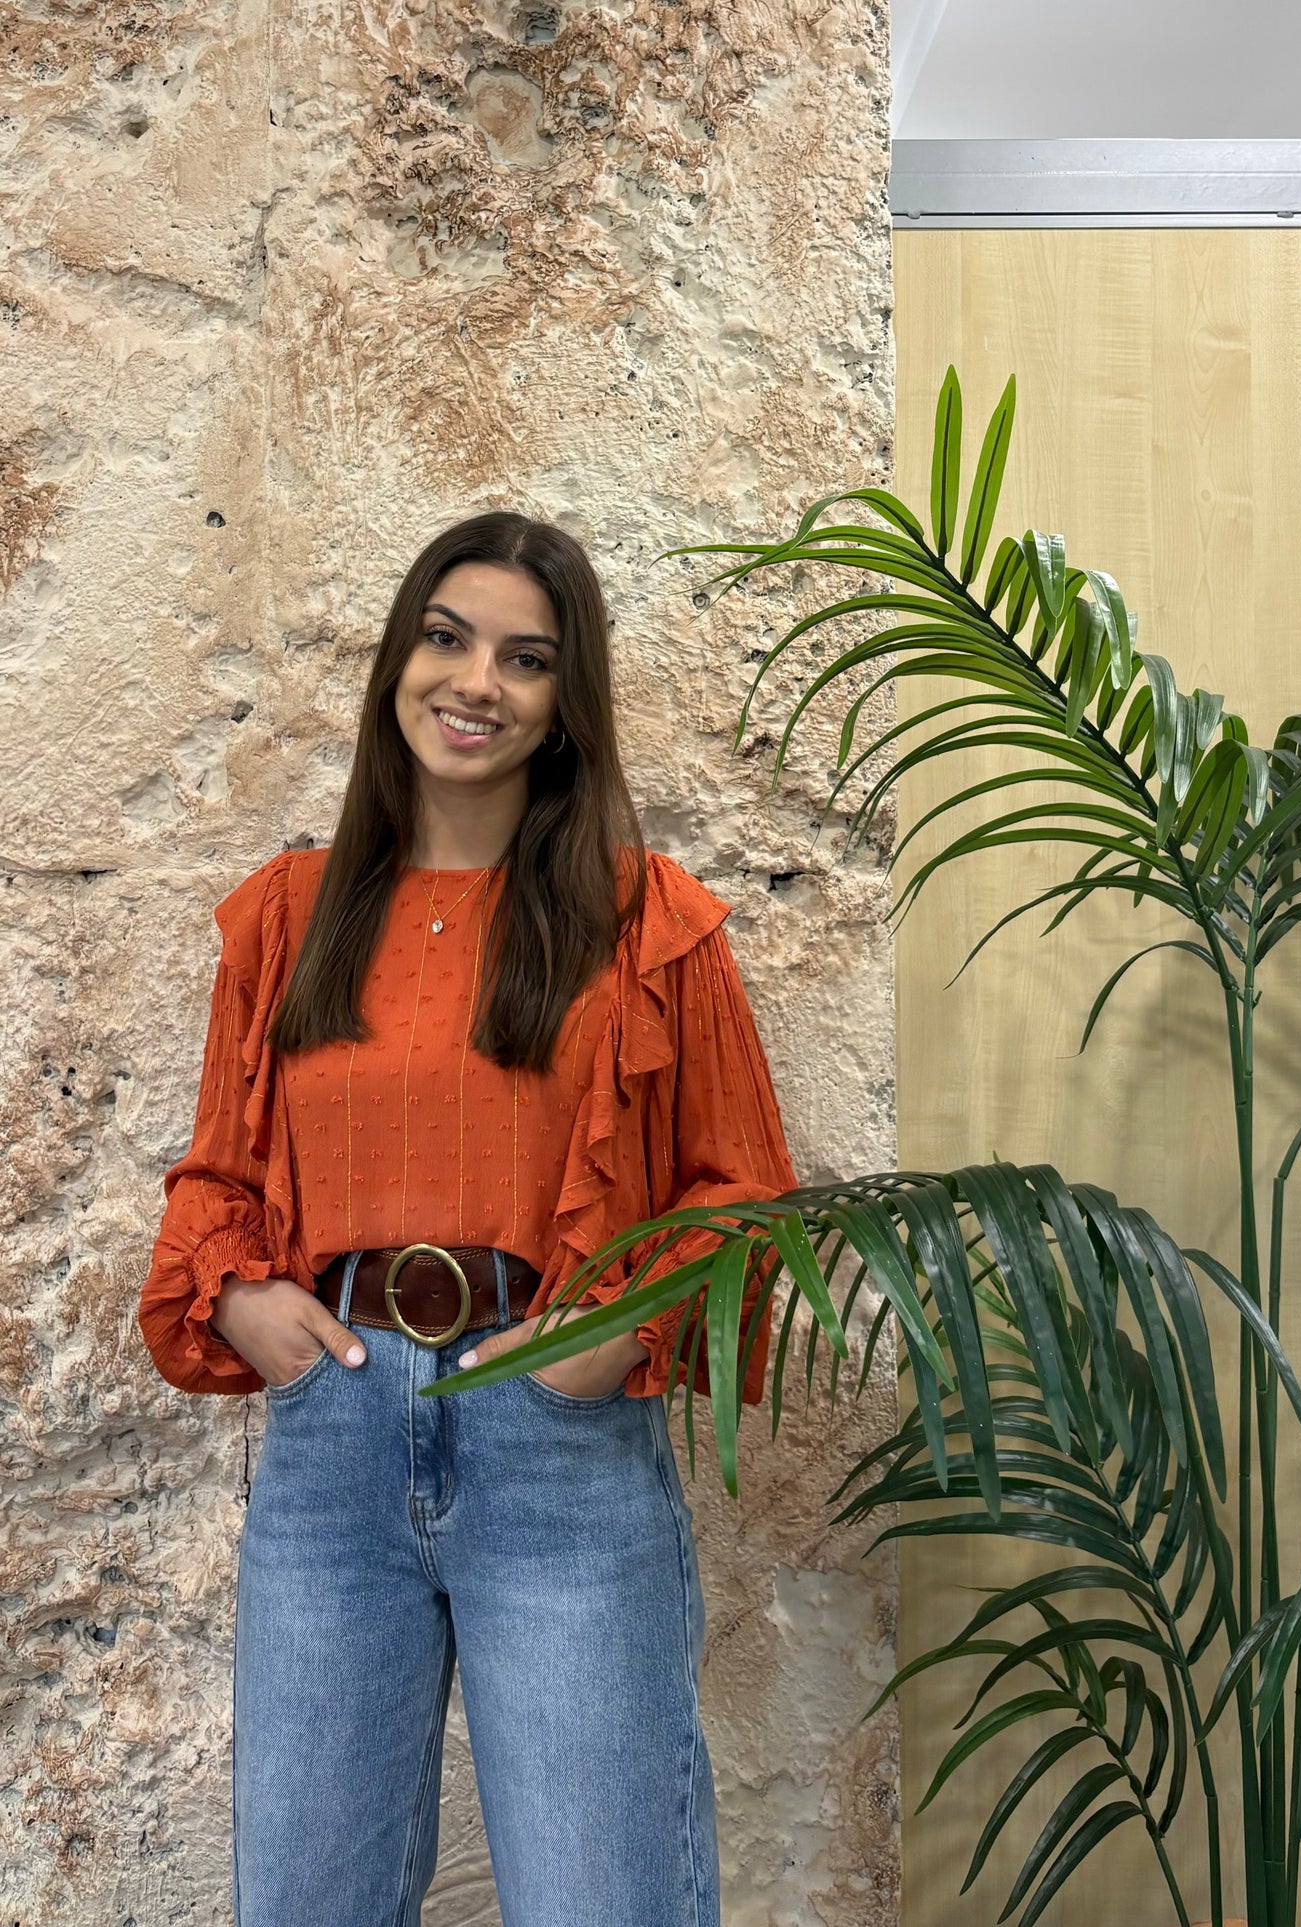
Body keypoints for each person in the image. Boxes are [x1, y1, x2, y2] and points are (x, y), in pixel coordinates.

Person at [138, 510, 799, 1927]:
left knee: (598, 1897)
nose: (474, 680)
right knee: (306, 1902)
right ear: (397, 661)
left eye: (524, 657)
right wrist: (251, 1309)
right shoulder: (289, 919)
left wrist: (606, 1335)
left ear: (566, 708)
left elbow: (742, 1191)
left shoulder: (645, 922)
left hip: (553, 1445)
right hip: (333, 1445)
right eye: (445, 637)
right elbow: (220, 1178)